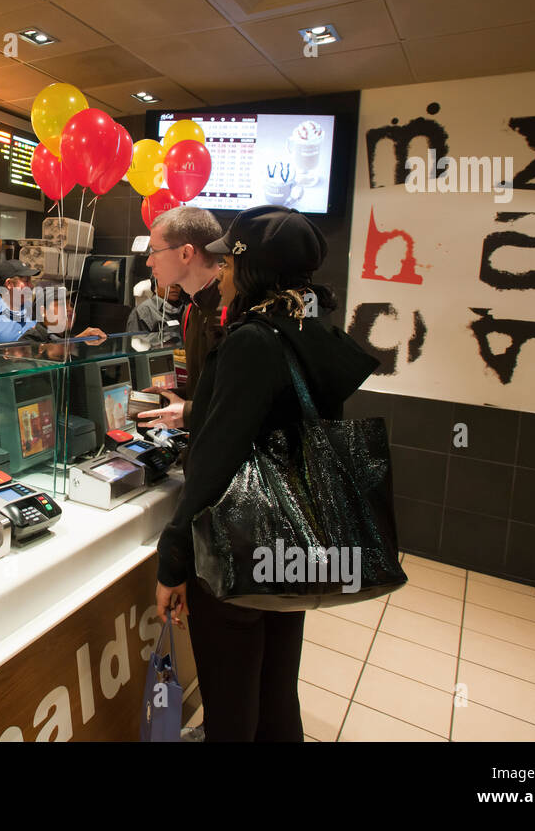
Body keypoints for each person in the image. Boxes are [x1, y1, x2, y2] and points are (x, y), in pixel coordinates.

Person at [154, 205, 378, 742]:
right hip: (293, 543)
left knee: (231, 708)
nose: (222, 274)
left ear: (251, 270)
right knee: (277, 695)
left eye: (230, 264)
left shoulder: (252, 341)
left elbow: (215, 460)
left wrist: (173, 557)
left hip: (240, 548)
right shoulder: (311, 330)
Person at [134, 206, 225, 431]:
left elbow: (241, 404)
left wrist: (187, 412)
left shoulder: (232, 308)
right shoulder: (192, 309)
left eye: (154, 251)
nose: (149, 262)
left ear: (185, 253)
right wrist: (172, 397)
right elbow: (206, 390)